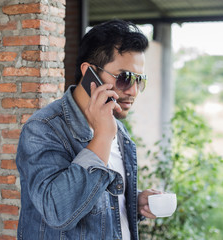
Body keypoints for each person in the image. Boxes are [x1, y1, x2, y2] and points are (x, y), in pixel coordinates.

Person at [16, 19, 160, 239]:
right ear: (89, 73)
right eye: (124, 78)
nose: (133, 91)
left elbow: (100, 204)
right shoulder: (43, 129)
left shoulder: (118, 131)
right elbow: (57, 212)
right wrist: (102, 137)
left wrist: (133, 200)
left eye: (139, 80)